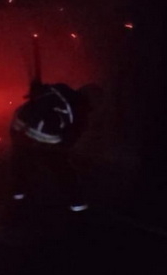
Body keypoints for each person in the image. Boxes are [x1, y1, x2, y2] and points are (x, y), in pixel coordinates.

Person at [9, 81, 101, 212]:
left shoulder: (60, 89)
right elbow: (68, 141)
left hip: (19, 124)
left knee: (21, 162)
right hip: (45, 137)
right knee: (62, 168)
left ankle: (18, 199)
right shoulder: (80, 112)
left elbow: (39, 91)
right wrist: (61, 150)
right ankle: (78, 205)